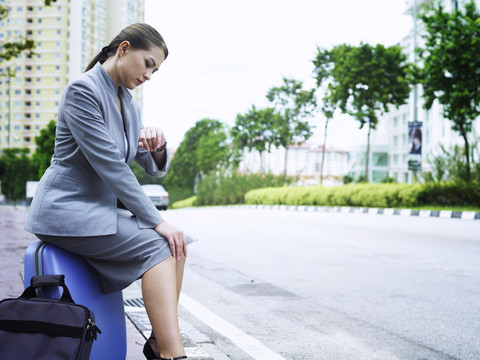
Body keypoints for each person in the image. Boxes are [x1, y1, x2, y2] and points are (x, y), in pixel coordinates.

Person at [24, 23, 193, 360]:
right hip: (65, 210)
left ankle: (161, 344)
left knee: (177, 245)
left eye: (155, 71)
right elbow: (111, 166)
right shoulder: (82, 91)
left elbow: (147, 162)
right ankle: (172, 353)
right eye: (148, 64)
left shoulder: (128, 103)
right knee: (160, 244)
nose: (149, 76)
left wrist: (157, 145)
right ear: (124, 49)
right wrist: (156, 220)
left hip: (99, 213)